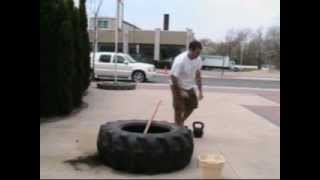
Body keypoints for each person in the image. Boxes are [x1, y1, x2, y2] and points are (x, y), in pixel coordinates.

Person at [169, 40, 203, 127]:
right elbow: (173, 77)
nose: (198, 55)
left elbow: (198, 75)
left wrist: (200, 91)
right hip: (176, 85)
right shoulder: (180, 60)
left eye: (199, 53)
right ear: (190, 50)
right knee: (179, 108)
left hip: (189, 86)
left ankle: (179, 122)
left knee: (193, 104)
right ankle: (178, 126)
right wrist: (180, 91)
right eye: (197, 52)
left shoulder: (198, 59)